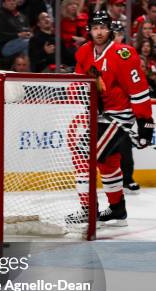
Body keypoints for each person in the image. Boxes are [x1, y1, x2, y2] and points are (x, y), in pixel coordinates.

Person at [69, 11, 154, 225]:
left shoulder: (123, 54)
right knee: (107, 162)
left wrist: (146, 121)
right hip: (100, 118)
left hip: (121, 119)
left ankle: (89, 210)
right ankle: (117, 210)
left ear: (110, 29)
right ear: (89, 30)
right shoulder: (84, 53)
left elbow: (139, 90)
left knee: (83, 154)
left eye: (103, 27)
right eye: (95, 27)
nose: (99, 32)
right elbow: (79, 84)